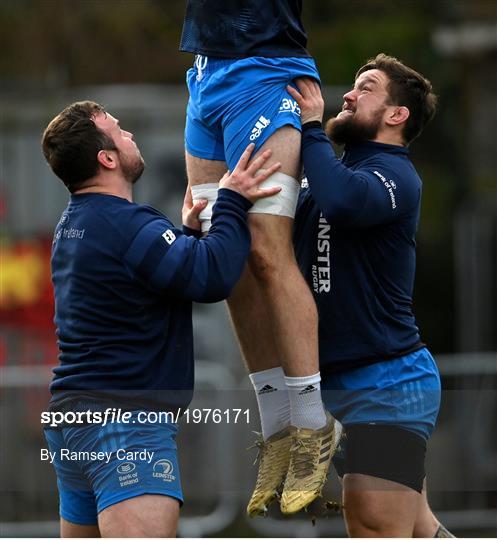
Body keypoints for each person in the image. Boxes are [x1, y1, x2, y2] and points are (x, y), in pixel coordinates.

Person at [40, 100, 282, 537]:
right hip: (123, 423)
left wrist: (188, 236)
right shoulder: (126, 225)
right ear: (107, 158)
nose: (130, 134)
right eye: (119, 131)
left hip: (75, 421)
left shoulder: (75, 222)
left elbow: (154, 284)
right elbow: (211, 278)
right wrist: (230, 201)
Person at [180, 0, 341, 516]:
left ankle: (313, 423)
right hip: (205, 75)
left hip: (265, 69)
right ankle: (277, 426)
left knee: (267, 251)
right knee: (231, 260)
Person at [286, 55, 454, 536]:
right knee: (416, 528)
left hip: (386, 383)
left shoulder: (395, 175)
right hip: (344, 385)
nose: (349, 95)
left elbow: (344, 201)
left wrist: (312, 128)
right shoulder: (334, 174)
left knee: (375, 526)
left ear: (396, 114)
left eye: (366, 88)